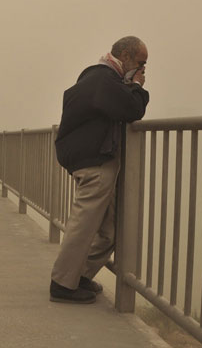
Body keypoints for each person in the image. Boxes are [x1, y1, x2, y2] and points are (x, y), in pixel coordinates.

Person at [50, 36, 149, 304]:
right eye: (141, 63)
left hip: (95, 160)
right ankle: (62, 283)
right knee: (84, 226)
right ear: (126, 56)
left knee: (108, 229)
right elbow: (133, 109)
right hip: (95, 163)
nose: (142, 70)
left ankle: (78, 277)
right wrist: (137, 86)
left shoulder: (96, 78)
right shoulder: (104, 80)